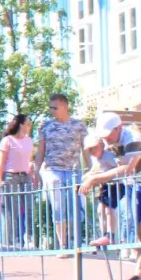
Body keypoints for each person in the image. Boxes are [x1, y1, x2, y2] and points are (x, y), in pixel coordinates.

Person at [79, 112, 141, 280]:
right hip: (140, 183)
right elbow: (106, 166)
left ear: (118, 128)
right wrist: (89, 176)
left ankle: (139, 276)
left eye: (107, 134)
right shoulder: (110, 142)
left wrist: (96, 179)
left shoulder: (133, 139)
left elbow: (127, 169)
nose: (105, 139)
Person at [32, 93, 87, 250]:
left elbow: (86, 149)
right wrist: (36, 171)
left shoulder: (79, 126)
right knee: (57, 208)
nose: (52, 110)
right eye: (50, 107)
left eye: (55, 107)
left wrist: (91, 169)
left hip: (74, 171)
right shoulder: (46, 126)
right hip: (53, 170)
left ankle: (72, 240)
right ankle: (62, 244)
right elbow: (40, 151)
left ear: (65, 107)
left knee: (75, 208)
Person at [0, 114, 36, 247]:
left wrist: (33, 172)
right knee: (13, 210)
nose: (29, 126)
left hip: (25, 176)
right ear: (21, 124)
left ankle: (29, 238)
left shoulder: (29, 140)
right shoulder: (8, 140)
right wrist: (0, 181)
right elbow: (2, 162)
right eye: (28, 123)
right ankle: (15, 240)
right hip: (11, 176)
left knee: (30, 207)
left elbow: (30, 159)